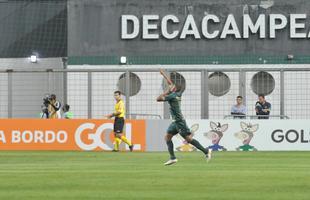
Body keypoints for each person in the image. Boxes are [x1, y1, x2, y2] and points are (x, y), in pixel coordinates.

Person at [157, 69, 212, 166]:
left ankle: (206, 151)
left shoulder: (172, 96)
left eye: (172, 86)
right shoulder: (178, 94)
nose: (170, 86)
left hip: (179, 122)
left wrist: (166, 92)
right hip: (175, 122)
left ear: (173, 89)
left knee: (189, 139)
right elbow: (170, 83)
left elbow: (158, 99)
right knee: (167, 137)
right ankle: (173, 158)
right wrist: (164, 75)